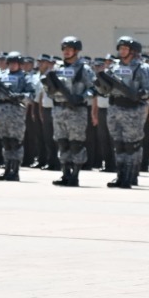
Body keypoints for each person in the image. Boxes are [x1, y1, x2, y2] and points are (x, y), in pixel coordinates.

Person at [96, 36, 149, 189]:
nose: (122, 51)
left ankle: (130, 175)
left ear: (132, 51)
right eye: (120, 48)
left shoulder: (140, 68)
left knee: (131, 145)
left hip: (133, 109)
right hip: (115, 107)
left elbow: (148, 90)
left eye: (125, 48)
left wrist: (138, 94)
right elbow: (105, 90)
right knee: (118, 144)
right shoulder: (113, 68)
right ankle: (120, 175)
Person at [44, 37, 96, 187]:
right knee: (62, 143)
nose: (66, 52)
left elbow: (93, 89)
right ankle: (65, 173)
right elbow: (47, 87)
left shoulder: (84, 69)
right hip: (59, 109)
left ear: (76, 51)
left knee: (76, 144)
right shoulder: (56, 68)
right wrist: (50, 90)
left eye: (69, 49)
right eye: (64, 49)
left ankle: (75, 175)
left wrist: (82, 97)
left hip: (76, 111)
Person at [0, 51, 36, 181]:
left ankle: (15, 170)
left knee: (15, 142)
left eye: (16, 63)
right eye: (11, 63)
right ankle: (7, 168)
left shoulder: (24, 77)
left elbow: (31, 95)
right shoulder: (0, 76)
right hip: (0, 112)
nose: (13, 65)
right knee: (6, 142)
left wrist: (20, 96)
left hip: (16, 112)